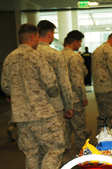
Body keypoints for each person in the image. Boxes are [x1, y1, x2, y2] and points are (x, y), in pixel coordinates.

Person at [1, 23, 65, 168]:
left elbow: (5, 86)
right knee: (56, 147)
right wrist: (53, 93)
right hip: (41, 114)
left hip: (20, 116)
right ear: (32, 37)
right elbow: (51, 83)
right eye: (37, 38)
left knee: (31, 152)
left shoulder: (9, 59)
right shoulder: (37, 56)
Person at [37, 20, 73, 128]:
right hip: (54, 105)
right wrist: (68, 106)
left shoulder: (28, 53)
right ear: (50, 34)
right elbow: (64, 82)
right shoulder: (55, 54)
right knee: (58, 138)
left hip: (32, 107)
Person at [61, 30, 89, 160]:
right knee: (79, 129)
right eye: (79, 43)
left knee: (65, 130)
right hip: (75, 99)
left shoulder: (58, 55)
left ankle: (65, 157)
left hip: (61, 99)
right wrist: (83, 97)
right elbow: (77, 80)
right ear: (75, 42)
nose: (80, 46)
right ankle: (81, 158)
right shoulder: (74, 57)